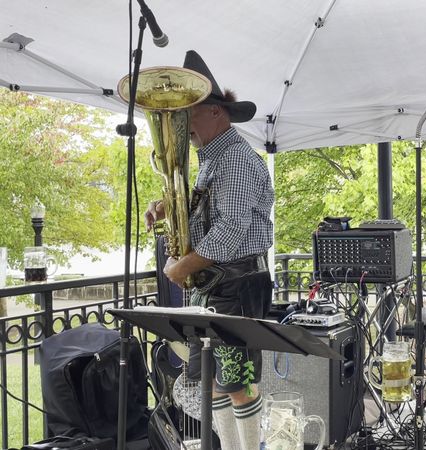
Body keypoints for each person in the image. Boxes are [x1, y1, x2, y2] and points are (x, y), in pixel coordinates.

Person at [145, 50, 274, 450]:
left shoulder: (234, 159)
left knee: (237, 383)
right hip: (218, 285)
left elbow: (231, 228)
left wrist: (182, 266)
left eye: (188, 115)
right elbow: (211, 212)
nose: (181, 126)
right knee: (216, 384)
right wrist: (168, 206)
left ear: (217, 112)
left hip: (235, 284)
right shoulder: (212, 159)